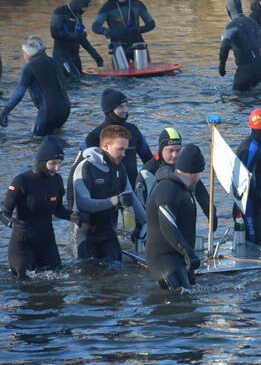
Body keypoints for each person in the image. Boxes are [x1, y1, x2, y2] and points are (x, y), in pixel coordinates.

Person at [2, 136, 75, 278]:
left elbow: (58, 210)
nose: (57, 168)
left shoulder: (57, 181)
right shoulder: (22, 180)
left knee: (57, 282)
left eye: (60, 163)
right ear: (42, 162)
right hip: (22, 242)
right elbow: (4, 213)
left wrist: (73, 216)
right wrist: (11, 223)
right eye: (53, 163)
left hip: (47, 241)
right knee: (23, 285)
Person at [71, 125, 146, 261]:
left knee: (118, 272)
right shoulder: (86, 167)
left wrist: (147, 223)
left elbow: (130, 196)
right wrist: (115, 201)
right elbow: (83, 204)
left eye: (125, 149)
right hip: (86, 232)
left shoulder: (119, 167)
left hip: (107, 231)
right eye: (120, 149)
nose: (124, 154)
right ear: (106, 146)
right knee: (86, 275)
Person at [146, 144, 211, 290]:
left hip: (178, 257)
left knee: (190, 299)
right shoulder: (168, 189)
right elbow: (167, 225)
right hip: (165, 259)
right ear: (196, 172)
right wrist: (188, 253)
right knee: (179, 304)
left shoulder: (183, 188)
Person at [0, 36, 70, 136]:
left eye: (23, 52)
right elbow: (63, 83)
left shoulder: (29, 67)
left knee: (37, 141)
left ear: (28, 53)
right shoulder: (53, 61)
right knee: (57, 137)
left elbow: (19, 93)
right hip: (65, 108)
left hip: (48, 110)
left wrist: (5, 112)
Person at [84, 88, 153, 187]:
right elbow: (79, 169)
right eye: (121, 107)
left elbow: (149, 160)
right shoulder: (94, 136)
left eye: (126, 106)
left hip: (132, 190)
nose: (125, 110)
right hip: (106, 192)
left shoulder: (133, 130)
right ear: (110, 109)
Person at [234, 108, 261, 248]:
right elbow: (242, 183)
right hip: (247, 210)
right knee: (251, 250)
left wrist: (260, 200)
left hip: (254, 206)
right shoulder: (252, 148)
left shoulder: (255, 144)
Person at [219, 0, 261, 91]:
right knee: (256, 99)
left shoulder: (232, 25)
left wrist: (221, 67)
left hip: (245, 70)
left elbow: (224, 46)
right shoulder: (254, 23)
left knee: (238, 99)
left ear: (229, 10)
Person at [91, 0, 156, 60]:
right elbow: (95, 26)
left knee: (147, 71)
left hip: (138, 44)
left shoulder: (137, 4)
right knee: (121, 70)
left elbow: (151, 24)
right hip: (118, 46)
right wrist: (106, 31)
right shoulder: (107, 7)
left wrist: (139, 30)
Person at [50, 0, 104, 77]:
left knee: (80, 78)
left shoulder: (78, 16)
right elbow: (54, 33)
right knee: (74, 79)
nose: (85, 10)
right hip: (61, 55)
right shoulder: (60, 12)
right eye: (84, 7)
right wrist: (75, 35)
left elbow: (82, 40)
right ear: (78, 4)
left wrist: (96, 56)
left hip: (74, 55)